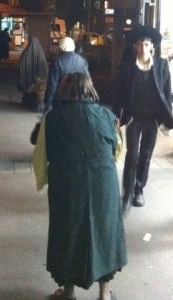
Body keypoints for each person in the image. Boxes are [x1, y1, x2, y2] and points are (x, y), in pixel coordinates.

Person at [34, 73, 127, 300]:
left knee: (67, 233)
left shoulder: (52, 118)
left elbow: (40, 156)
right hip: (103, 184)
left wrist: (43, 180)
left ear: (64, 91)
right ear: (89, 90)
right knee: (105, 233)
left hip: (67, 184)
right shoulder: (106, 115)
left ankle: (68, 292)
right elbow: (117, 150)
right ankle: (104, 294)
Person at [113, 25, 173, 216]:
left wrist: (167, 117)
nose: (143, 48)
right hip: (134, 117)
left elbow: (167, 94)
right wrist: (116, 114)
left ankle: (139, 188)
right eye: (139, 44)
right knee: (132, 155)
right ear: (134, 47)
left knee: (146, 154)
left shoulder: (162, 66)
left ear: (152, 47)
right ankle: (127, 194)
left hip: (152, 118)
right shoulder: (128, 67)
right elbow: (119, 93)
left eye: (146, 44)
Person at [44, 36, 89, 111]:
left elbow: (52, 84)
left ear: (61, 47)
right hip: (79, 98)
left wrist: (48, 102)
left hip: (61, 100)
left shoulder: (57, 61)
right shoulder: (82, 60)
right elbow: (88, 81)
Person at [19, 36, 48, 109]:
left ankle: (26, 102)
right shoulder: (40, 53)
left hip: (27, 77)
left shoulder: (25, 53)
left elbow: (21, 64)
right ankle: (34, 104)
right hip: (37, 79)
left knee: (28, 90)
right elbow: (43, 66)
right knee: (36, 91)